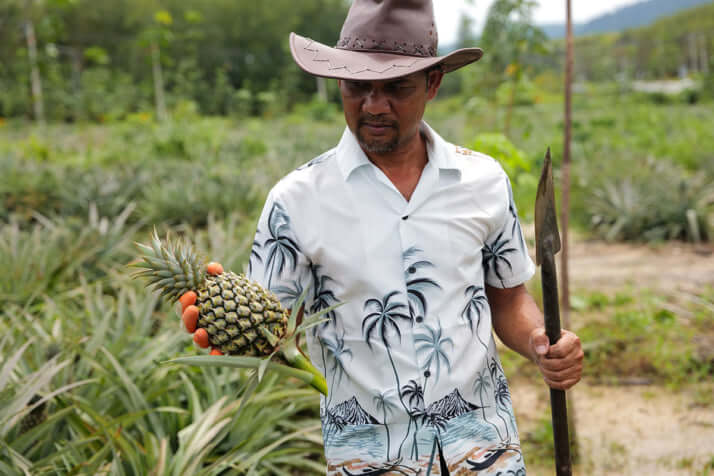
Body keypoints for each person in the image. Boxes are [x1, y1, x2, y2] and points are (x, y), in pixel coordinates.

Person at [181, 0, 583, 474]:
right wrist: (227, 323)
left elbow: (509, 299)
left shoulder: (483, 181)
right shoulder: (296, 201)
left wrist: (541, 341)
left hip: (485, 449)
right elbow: (274, 329)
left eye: (395, 88)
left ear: (432, 84)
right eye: (357, 87)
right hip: (369, 460)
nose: (373, 105)